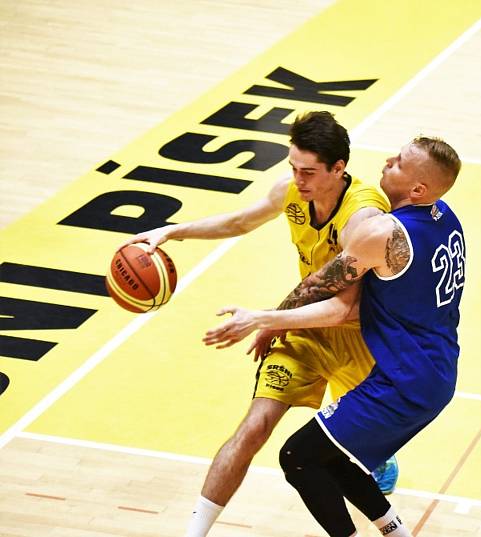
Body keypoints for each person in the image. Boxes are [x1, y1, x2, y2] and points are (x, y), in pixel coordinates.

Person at [122, 111, 399, 537]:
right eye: (293, 167)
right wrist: (171, 232)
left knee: (351, 459)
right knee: (254, 427)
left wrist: (266, 319)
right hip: (306, 330)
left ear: (338, 168)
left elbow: (343, 307)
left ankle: (377, 471)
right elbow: (240, 221)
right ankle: (194, 532)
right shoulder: (291, 193)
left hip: (363, 336)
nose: (298, 179)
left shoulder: (363, 216)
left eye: (308, 171)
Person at [203, 136, 465, 536]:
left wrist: (263, 319)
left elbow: (326, 291)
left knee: (298, 457)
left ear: (418, 189)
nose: (387, 161)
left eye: (398, 163)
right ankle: (395, 531)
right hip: (436, 370)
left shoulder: (384, 233)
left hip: (404, 380)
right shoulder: (445, 217)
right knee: (335, 458)